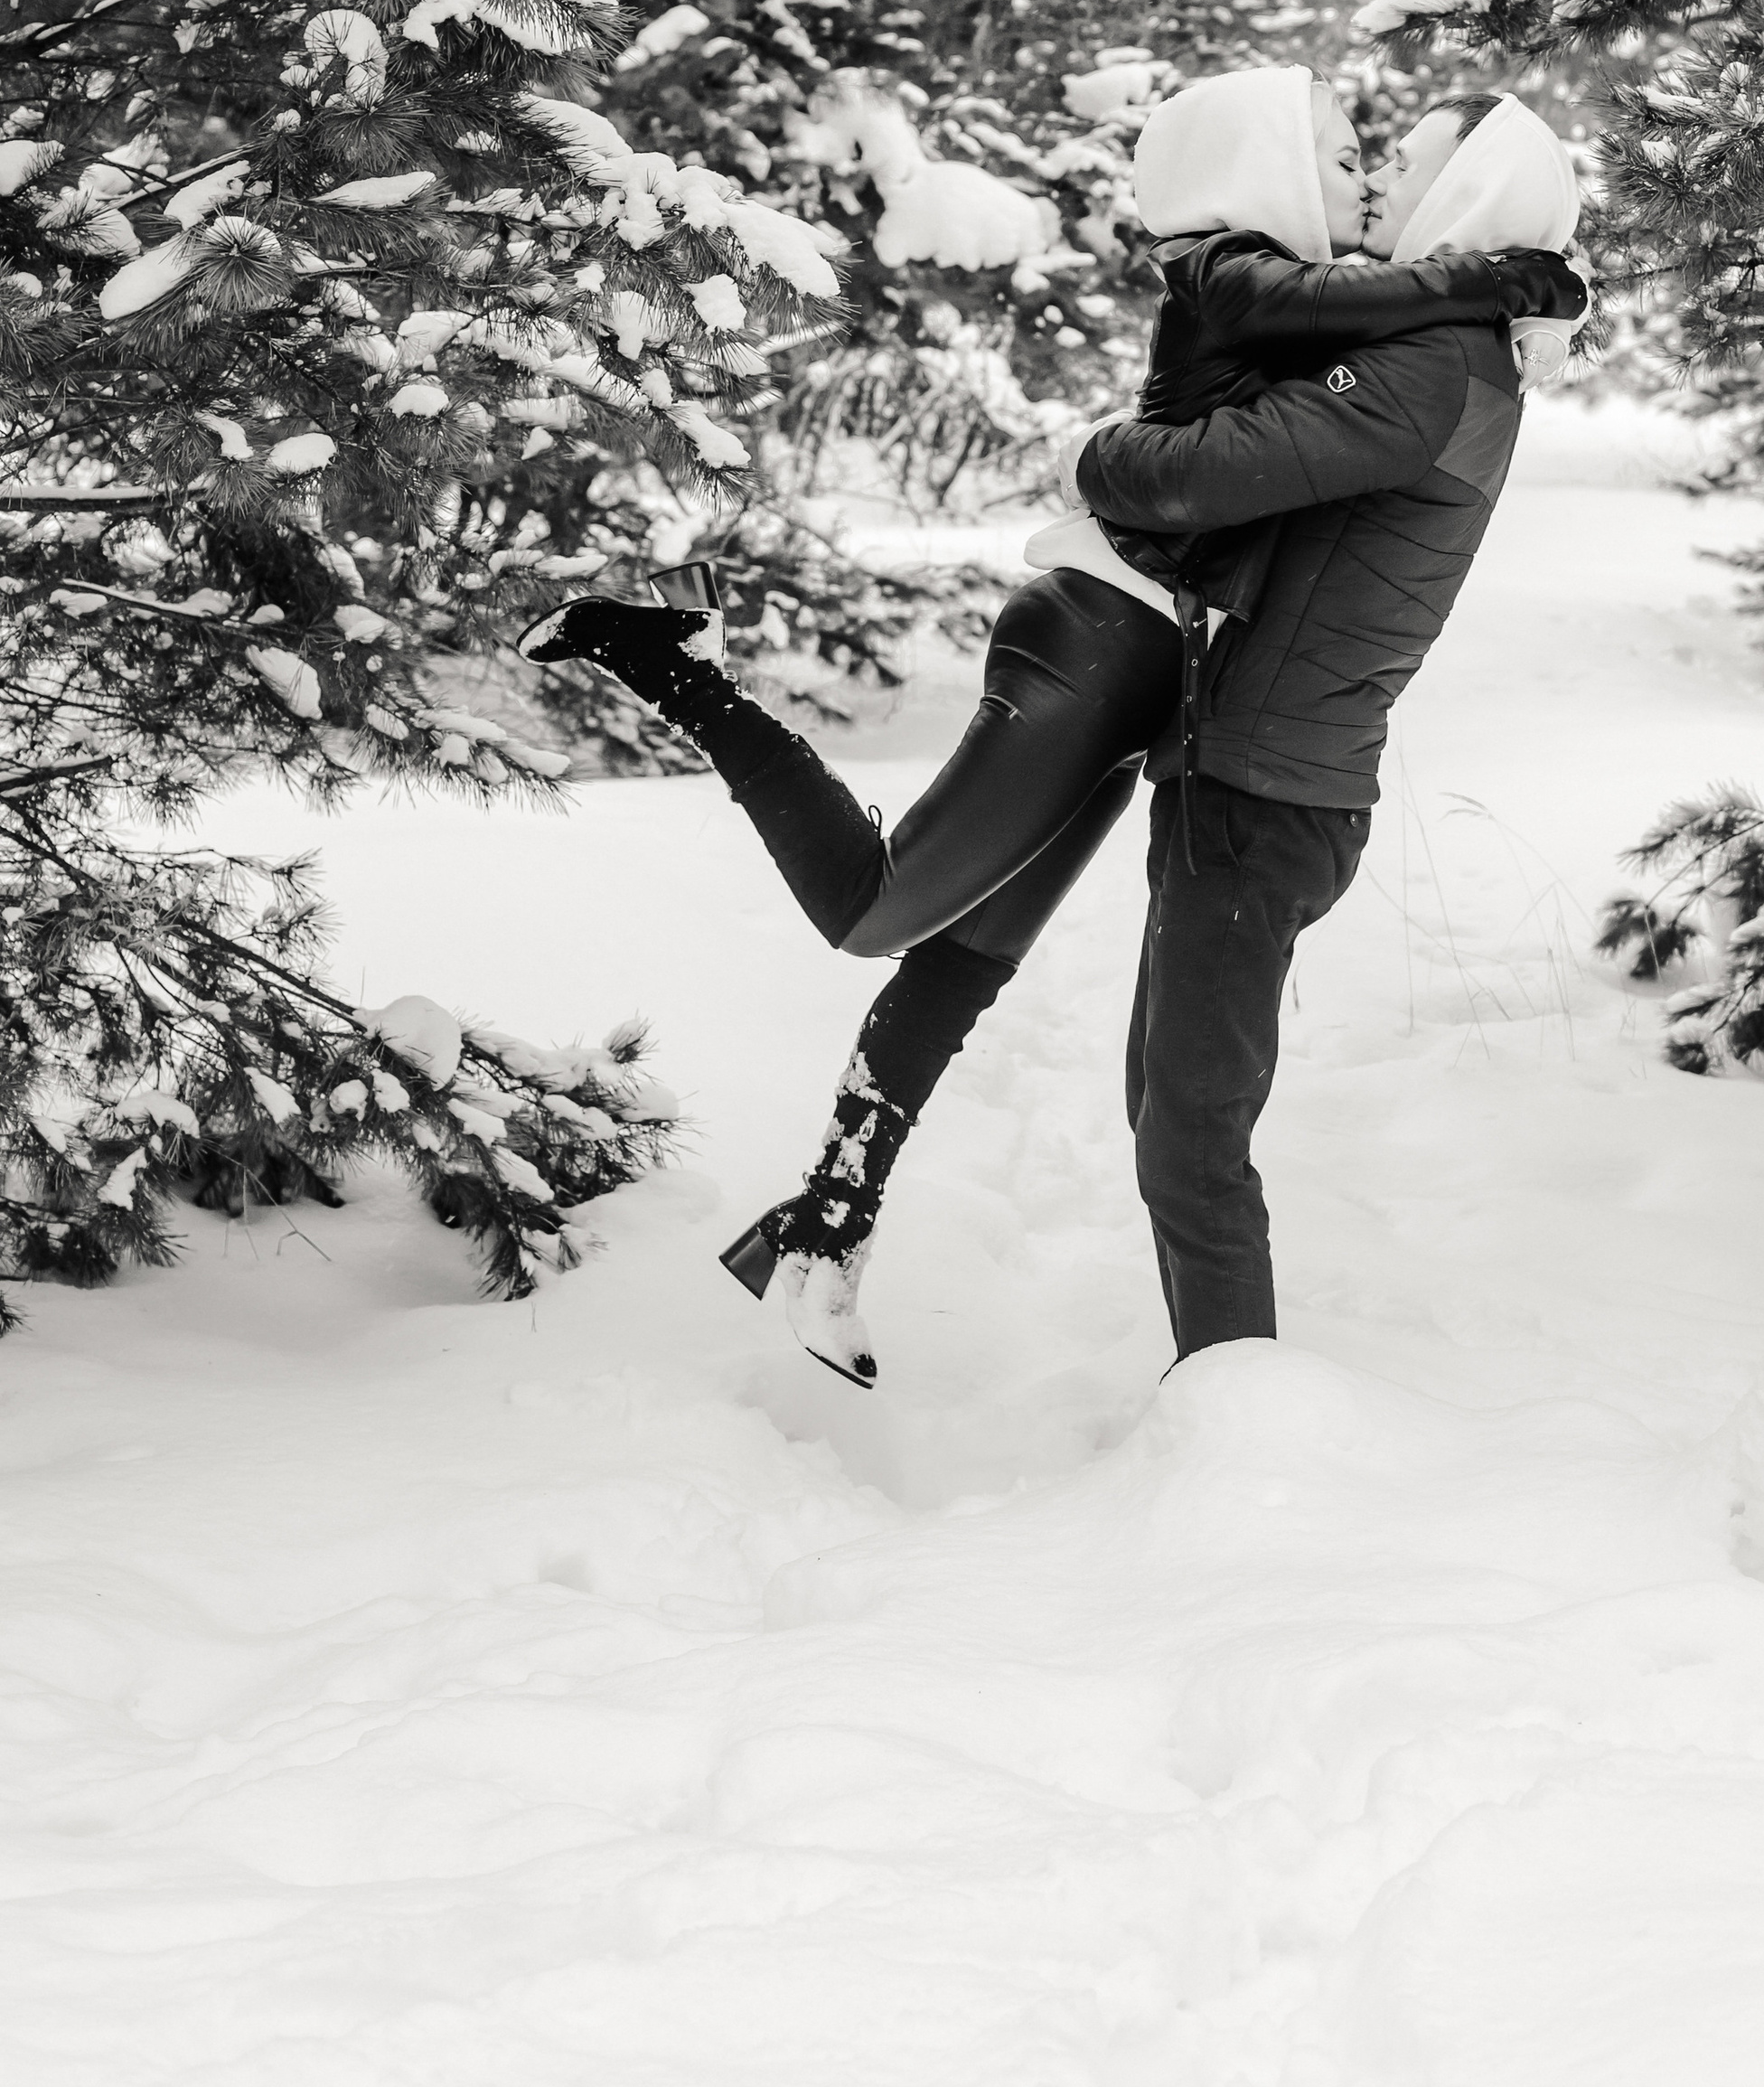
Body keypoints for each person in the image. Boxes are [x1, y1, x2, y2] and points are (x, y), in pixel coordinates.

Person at [517, 69, 1581, 1382]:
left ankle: (823, 1232)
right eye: (1342, 152)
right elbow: (1285, 387)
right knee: (876, 911)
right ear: (1263, 163)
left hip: (1155, 670)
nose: (1364, 178)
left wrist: (1516, 294)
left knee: (968, 956)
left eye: (1384, 162)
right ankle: (678, 669)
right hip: (1098, 636)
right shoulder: (1244, 276)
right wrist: (1498, 281)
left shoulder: (1348, 316)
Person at [1071, 89, 1581, 1364]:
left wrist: (1095, 454)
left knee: (1190, 1142)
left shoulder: (1432, 365)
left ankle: (1238, 1421)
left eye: (1403, 163)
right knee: (1167, 1115)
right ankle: (1222, 1399)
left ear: (1465, 194)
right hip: (1253, 777)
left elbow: (1190, 475)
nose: (1379, 184)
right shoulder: (1443, 344)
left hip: (1267, 794)